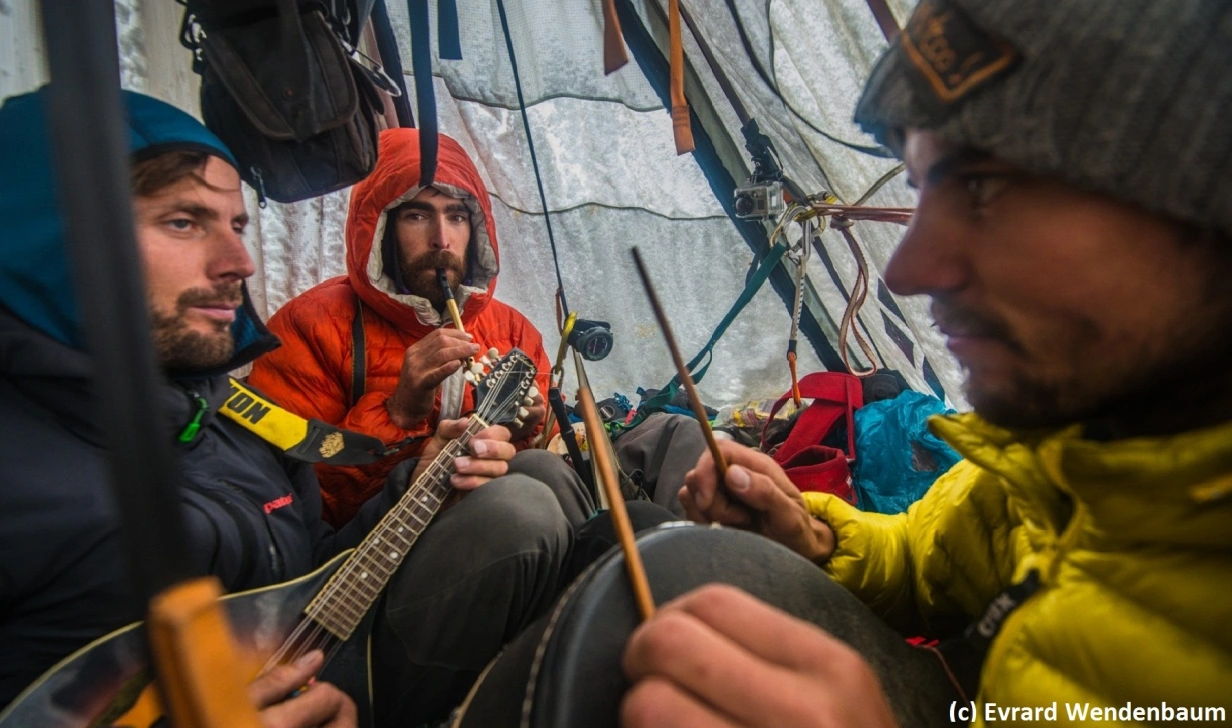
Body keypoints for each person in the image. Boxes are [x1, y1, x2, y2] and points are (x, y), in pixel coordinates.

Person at [623, 1, 1232, 725]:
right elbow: (929, 562)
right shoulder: (1057, 444)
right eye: (922, 191)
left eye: (985, 188)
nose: (906, 270)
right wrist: (814, 539)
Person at [0, 88, 589, 727]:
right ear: (56, 229)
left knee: (553, 484)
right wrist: (393, 410)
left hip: (324, 659)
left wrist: (412, 483)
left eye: (236, 226)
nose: (239, 264)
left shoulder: (240, 422)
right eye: (182, 221)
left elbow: (312, 568)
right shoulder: (24, 475)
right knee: (525, 510)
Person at [248, 128, 588, 526]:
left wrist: (528, 427)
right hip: (369, 550)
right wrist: (399, 411)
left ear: (476, 230)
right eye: (417, 215)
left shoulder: (513, 331)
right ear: (382, 230)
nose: (441, 239)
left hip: (499, 529)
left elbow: (551, 450)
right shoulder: (309, 327)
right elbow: (289, 505)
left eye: (457, 216)